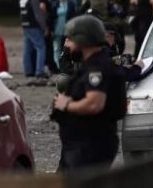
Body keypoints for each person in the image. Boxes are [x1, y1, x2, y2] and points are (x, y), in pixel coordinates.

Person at [52, 15, 126, 171]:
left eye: (70, 40)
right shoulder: (92, 64)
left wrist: (66, 104)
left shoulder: (97, 68)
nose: (67, 45)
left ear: (83, 41)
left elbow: (94, 104)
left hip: (89, 146)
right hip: (81, 144)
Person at [20, 0, 49, 83]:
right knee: (41, 47)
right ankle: (39, 71)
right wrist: (44, 27)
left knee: (27, 48)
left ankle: (28, 70)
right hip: (34, 26)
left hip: (25, 25)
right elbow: (38, 15)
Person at [52, 0, 77, 69]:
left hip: (67, 30)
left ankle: (66, 65)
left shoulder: (71, 4)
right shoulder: (55, 4)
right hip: (57, 29)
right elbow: (51, 16)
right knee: (57, 48)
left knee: (66, 48)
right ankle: (58, 66)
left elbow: (74, 16)